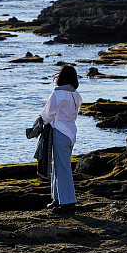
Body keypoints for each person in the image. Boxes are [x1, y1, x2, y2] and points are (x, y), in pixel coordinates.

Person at [40, 65, 82, 213]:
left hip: (59, 133)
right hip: (71, 133)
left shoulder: (57, 94)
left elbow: (46, 115)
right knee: (59, 166)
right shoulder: (76, 95)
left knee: (62, 168)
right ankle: (57, 198)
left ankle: (68, 202)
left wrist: (41, 124)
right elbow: (74, 115)